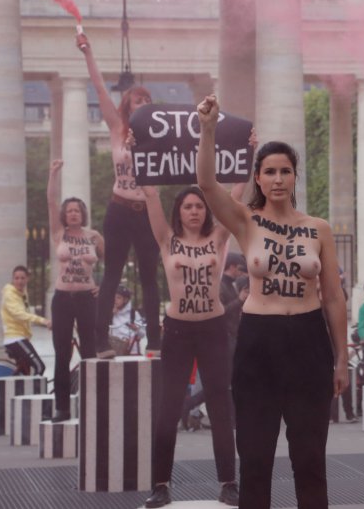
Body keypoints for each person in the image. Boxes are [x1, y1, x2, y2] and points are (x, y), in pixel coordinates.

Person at [196, 95, 348, 509]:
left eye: (285, 171)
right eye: (269, 172)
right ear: (258, 179)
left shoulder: (318, 229)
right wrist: (208, 129)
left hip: (308, 342)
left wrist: (341, 359)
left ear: (295, 177)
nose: (278, 178)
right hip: (258, 343)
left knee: (310, 460)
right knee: (256, 460)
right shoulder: (247, 221)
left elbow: (333, 297)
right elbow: (207, 185)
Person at [141, 185, 238, 508]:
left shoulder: (218, 239)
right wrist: (146, 182)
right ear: (178, 212)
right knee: (168, 408)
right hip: (178, 331)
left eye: (199, 206)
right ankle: (160, 486)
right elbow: (151, 197)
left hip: (212, 329)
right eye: (187, 206)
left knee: (220, 407)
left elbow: (232, 200)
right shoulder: (168, 240)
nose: (194, 211)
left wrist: (245, 165)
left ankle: (228, 483)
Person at [77, 32, 161, 358]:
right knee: (111, 274)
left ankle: (154, 342)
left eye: (147, 100)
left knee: (150, 277)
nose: (142, 104)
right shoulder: (117, 128)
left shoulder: (159, 137)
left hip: (147, 210)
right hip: (119, 208)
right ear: (128, 105)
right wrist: (88, 53)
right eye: (137, 100)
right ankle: (99, 343)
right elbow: (98, 87)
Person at [47, 160, 103, 421]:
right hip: (62, 298)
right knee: (62, 352)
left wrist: (102, 286)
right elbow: (50, 201)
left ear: (83, 214)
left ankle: (92, 405)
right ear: (64, 215)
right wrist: (53, 175)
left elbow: (112, 265)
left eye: (77, 210)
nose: (73, 214)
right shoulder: (59, 234)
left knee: (89, 350)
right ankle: (62, 407)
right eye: (69, 211)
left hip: (86, 298)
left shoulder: (94, 236)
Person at [0, 266, 50, 376]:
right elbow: (19, 314)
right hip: (15, 338)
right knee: (39, 367)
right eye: (16, 278)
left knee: (25, 373)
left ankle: (22, 391)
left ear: (27, 279)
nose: (20, 281)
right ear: (12, 279)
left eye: (22, 278)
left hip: (20, 337)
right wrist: (43, 321)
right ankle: (36, 393)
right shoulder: (10, 294)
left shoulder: (21, 293)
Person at [110, 285, 144, 355]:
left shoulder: (134, 314)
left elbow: (142, 334)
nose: (115, 300)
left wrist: (136, 329)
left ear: (125, 300)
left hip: (132, 352)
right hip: (114, 351)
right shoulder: (108, 313)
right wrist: (110, 315)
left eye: (118, 298)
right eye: (113, 297)